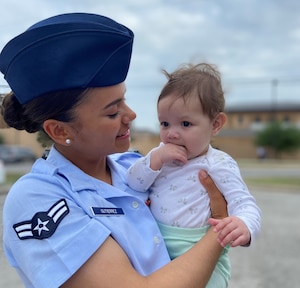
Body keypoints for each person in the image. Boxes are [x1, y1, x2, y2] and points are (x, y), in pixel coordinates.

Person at [0, 13, 229, 288]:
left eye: (124, 100)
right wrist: (220, 229)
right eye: (112, 112)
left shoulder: (134, 167)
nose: (130, 115)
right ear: (60, 131)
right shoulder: (38, 199)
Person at [127, 63, 262, 287]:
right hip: (155, 246)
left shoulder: (218, 163)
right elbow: (134, 182)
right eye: (165, 123)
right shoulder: (158, 156)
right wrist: (156, 159)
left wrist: (244, 224)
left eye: (186, 123)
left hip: (199, 248)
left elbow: (244, 203)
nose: (171, 133)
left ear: (216, 124)